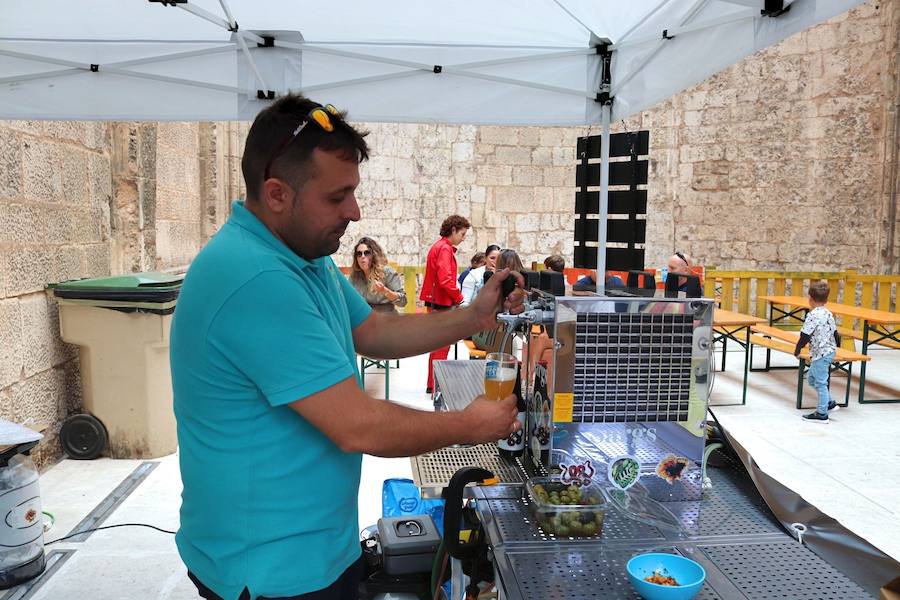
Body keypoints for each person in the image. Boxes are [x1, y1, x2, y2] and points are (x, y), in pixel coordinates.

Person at [170, 94, 525, 600]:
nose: (354, 212)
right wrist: (467, 427)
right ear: (276, 194)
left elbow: (374, 332)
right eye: (338, 197)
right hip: (270, 568)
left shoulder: (298, 254)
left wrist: (473, 316)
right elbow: (355, 424)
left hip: (313, 548)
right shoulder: (255, 277)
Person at [420, 214, 470, 393]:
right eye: (462, 234)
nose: (463, 238)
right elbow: (446, 280)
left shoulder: (439, 246)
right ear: (454, 230)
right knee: (441, 348)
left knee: (436, 347)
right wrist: (460, 298)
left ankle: (432, 385)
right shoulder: (445, 249)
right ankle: (437, 387)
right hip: (440, 304)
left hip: (435, 302)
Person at [795, 281, 841, 423]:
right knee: (812, 379)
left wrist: (797, 349)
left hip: (821, 354)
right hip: (825, 352)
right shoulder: (828, 313)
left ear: (810, 299)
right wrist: (836, 346)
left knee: (820, 382)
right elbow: (835, 332)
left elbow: (805, 335)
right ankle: (829, 402)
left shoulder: (812, 315)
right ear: (826, 299)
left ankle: (822, 414)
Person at [348, 237, 407, 313]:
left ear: (374, 255)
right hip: (364, 318)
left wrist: (385, 291)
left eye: (367, 253)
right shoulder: (355, 276)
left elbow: (403, 301)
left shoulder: (387, 272)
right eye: (359, 254)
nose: (362, 256)